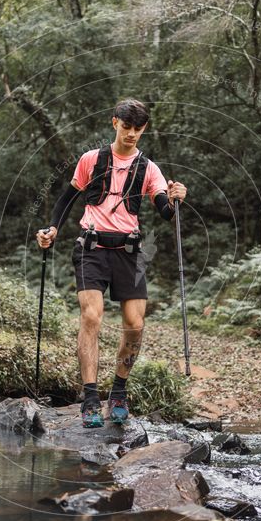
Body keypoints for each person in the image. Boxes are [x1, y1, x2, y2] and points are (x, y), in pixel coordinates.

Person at [36, 98, 187, 428]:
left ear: (143, 129)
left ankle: (118, 392)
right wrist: (52, 229)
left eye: (138, 128)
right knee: (91, 316)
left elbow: (164, 211)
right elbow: (67, 198)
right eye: (127, 126)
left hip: (129, 252)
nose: (132, 134)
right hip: (91, 247)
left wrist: (175, 200)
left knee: (135, 324)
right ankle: (90, 396)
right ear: (114, 122)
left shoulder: (150, 169)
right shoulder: (92, 159)